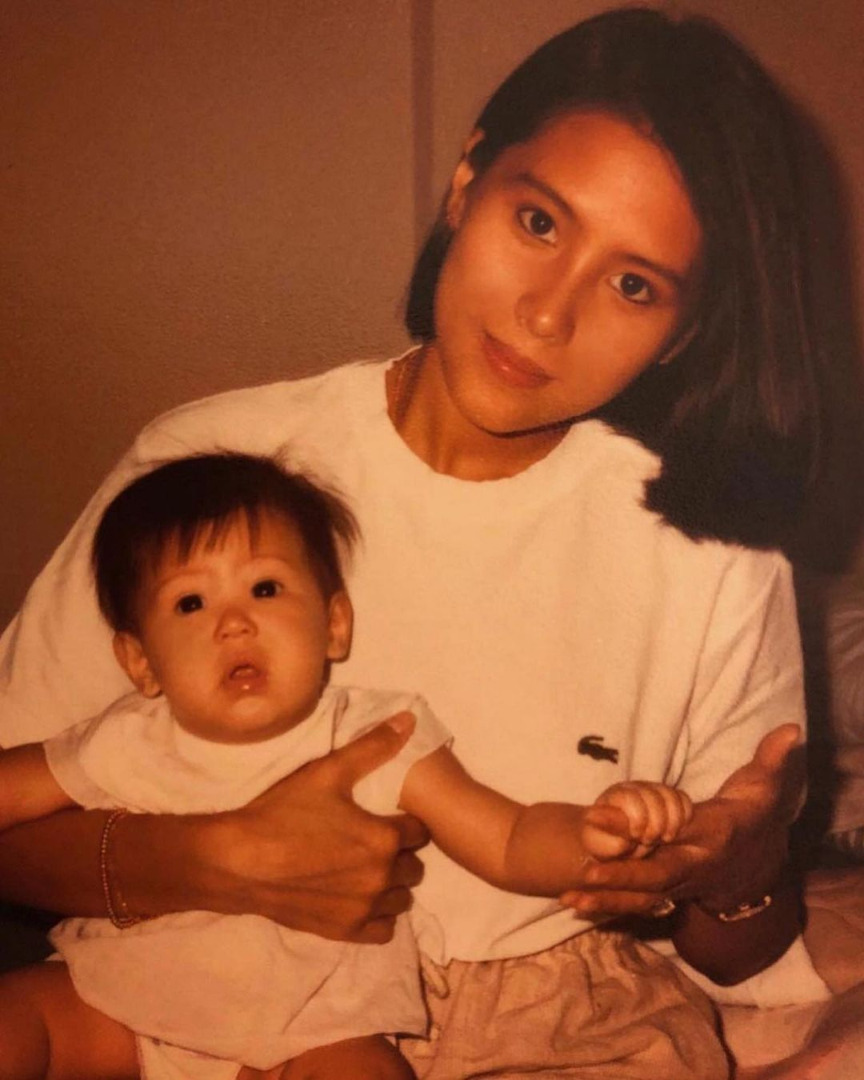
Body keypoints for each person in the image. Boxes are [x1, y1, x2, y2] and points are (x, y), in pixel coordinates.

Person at [0, 7, 830, 1078]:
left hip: (553, 1028)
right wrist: (206, 861)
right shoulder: (209, 470)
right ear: (466, 183)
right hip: (196, 1000)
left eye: (634, 286)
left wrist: (739, 872)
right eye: (539, 222)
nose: (547, 314)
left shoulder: (715, 554)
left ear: (685, 334)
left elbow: (744, 953)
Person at [0, 451, 698, 1080]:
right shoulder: (123, 740)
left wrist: (593, 837)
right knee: (20, 1011)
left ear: (334, 624)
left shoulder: (374, 734)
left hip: (317, 1029)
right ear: (140, 662)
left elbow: (508, 839)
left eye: (264, 588)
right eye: (190, 602)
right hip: (121, 1003)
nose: (233, 622)